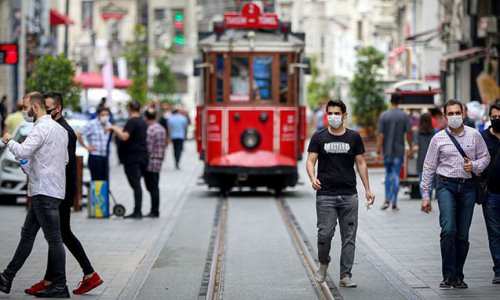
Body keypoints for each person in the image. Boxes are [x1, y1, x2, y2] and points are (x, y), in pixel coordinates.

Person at [21, 92, 104, 296]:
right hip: (57, 189)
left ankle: (86, 274)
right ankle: (54, 279)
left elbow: (61, 165)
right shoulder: (54, 127)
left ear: (57, 109)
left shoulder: (63, 131)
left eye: (47, 108)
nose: (43, 112)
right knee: (57, 234)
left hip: (60, 191)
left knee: (60, 234)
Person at [0, 92, 69, 298]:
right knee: (28, 235)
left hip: (43, 191)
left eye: (25, 107)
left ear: (35, 108)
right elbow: (59, 160)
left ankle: (60, 285)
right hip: (52, 189)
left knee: (54, 239)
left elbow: (22, 152)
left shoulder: (40, 129)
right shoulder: (60, 130)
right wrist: (30, 168)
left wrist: (8, 140)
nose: (24, 111)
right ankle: (7, 277)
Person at [421, 99, 490, 289]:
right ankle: (448, 275)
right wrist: (426, 196)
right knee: (448, 229)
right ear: (445, 116)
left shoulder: (475, 135)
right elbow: (428, 167)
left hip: (468, 188)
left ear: (463, 114)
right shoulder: (439, 138)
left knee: (462, 235)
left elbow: (486, 157)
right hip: (446, 187)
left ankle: (458, 275)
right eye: (450, 114)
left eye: (456, 113)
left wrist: (474, 166)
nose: (454, 117)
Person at [306, 99, 376, 288]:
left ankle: (345, 275)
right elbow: (310, 161)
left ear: (344, 115)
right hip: (325, 195)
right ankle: (323, 262)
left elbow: (361, 163)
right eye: (330, 113)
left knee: (349, 237)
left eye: (337, 113)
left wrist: (367, 189)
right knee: (324, 235)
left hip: (349, 195)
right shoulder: (318, 137)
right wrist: (312, 178)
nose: (333, 117)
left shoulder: (353, 137)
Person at [108, 100, 148, 219]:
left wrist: (114, 128)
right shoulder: (142, 121)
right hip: (141, 156)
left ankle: (137, 211)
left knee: (135, 184)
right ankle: (138, 210)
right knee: (137, 184)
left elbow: (125, 136)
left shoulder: (132, 121)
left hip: (132, 158)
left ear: (130, 109)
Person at [376, 93, 412, 210]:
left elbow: (381, 135)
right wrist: (410, 147)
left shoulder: (384, 115)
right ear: (399, 102)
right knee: (396, 175)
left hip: (387, 150)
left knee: (388, 174)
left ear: (390, 102)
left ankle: (387, 199)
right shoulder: (404, 116)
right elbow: (408, 133)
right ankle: (394, 202)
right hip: (399, 150)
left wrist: (378, 149)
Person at [480, 101, 500, 284]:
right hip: (492, 194)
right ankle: (499, 269)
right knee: (494, 232)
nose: (497, 120)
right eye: (494, 118)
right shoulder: (482, 138)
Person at [76, 107, 112, 180]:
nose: (105, 116)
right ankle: (97, 192)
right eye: (103, 114)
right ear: (98, 115)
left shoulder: (108, 124)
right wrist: (86, 147)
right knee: (97, 182)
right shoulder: (92, 124)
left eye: (107, 115)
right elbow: (78, 133)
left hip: (105, 156)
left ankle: (104, 192)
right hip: (95, 156)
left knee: (105, 181)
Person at [144, 108, 167, 218]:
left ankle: (154, 211)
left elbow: (148, 147)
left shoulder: (150, 130)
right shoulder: (161, 128)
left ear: (146, 117)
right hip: (159, 159)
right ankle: (155, 209)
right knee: (155, 185)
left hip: (151, 160)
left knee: (152, 187)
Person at [412, 113, 435, 200]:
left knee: (422, 181)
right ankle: (429, 197)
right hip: (433, 161)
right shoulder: (434, 132)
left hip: (421, 160)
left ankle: (425, 199)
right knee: (431, 181)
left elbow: (415, 147)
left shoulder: (417, 133)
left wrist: (410, 152)